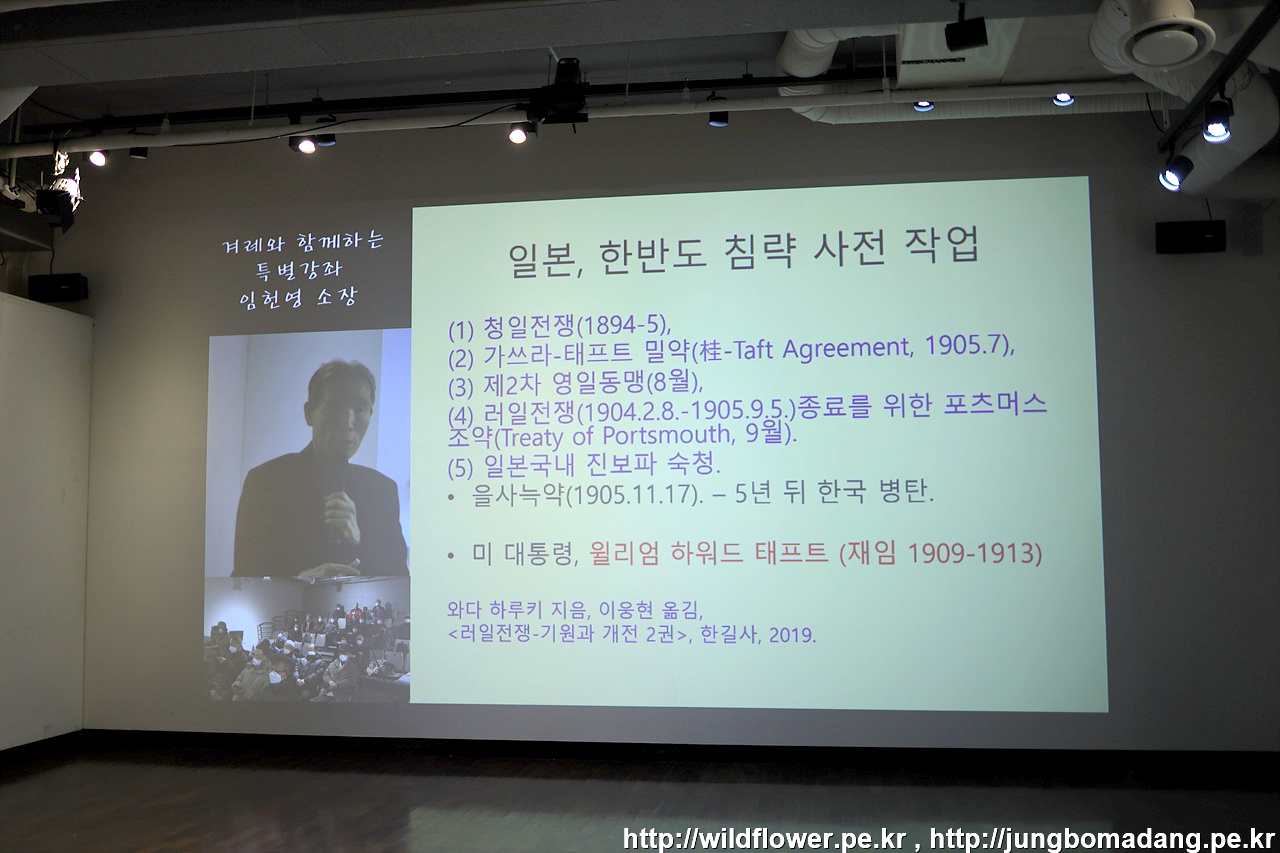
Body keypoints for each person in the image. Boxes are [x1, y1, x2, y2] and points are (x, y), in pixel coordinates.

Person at [232, 360, 408, 578]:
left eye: (360, 409)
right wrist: (298, 582)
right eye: (335, 407)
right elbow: (243, 579)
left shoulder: (382, 490)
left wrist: (359, 541)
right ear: (309, 413)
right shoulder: (265, 482)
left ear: (370, 414)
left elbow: (399, 582)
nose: (348, 423)